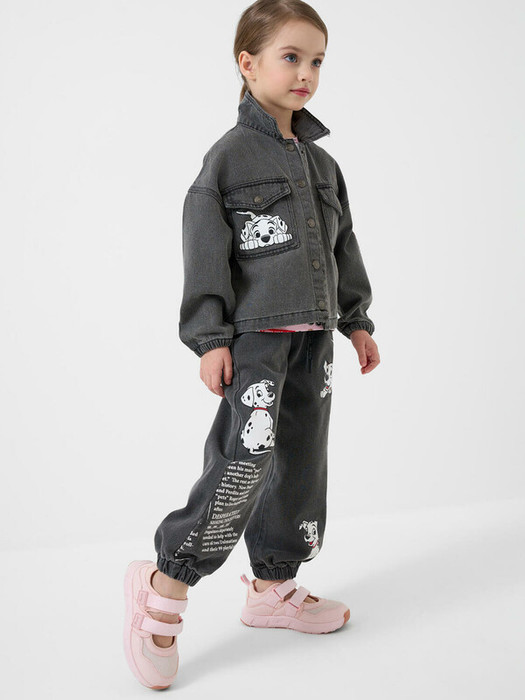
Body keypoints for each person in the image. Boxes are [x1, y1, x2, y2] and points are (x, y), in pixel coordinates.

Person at [123, 0, 380, 689]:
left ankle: (272, 586)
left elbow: (343, 245)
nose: (305, 73)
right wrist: (210, 336)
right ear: (248, 63)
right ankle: (165, 582)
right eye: (290, 57)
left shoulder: (323, 164)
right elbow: (205, 249)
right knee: (246, 460)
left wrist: (356, 320)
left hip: (313, 342)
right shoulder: (229, 158)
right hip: (257, 343)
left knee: (301, 463)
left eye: (316, 60)